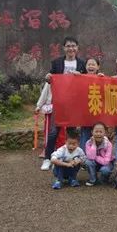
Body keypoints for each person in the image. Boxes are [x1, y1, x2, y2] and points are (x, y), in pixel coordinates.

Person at [41, 36, 87, 171]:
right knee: (54, 132)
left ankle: (77, 159)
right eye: (68, 46)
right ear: (64, 48)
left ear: (77, 48)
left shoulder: (82, 64)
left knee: (73, 132)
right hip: (60, 103)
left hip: (75, 104)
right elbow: (51, 80)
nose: (71, 48)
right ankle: (48, 158)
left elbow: (88, 80)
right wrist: (48, 78)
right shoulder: (57, 63)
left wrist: (82, 76)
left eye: (73, 46)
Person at [80, 57, 104, 149]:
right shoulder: (80, 79)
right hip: (85, 112)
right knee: (85, 133)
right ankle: (83, 156)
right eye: (89, 64)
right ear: (85, 67)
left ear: (98, 67)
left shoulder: (102, 78)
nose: (91, 66)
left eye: (93, 64)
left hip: (97, 111)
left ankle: (99, 155)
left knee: (98, 133)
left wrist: (102, 79)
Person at [84, 122, 114, 186]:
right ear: (92, 132)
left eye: (101, 132)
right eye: (96, 131)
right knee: (88, 162)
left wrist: (95, 156)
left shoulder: (108, 144)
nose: (98, 134)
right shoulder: (88, 143)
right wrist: (94, 144)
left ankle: (104, 179)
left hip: (106, 164)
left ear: (105, 133)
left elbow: (106, 162)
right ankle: (93, 179)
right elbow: (90, 158)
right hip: (95, 163)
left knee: (105, 170)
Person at [35, 79, 53, 158]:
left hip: (63, 108)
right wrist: (39, 106)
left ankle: (59, 149)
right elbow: (44, 93)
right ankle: (46, 149)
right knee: (48, 130)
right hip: (51, 109)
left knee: (62, 131)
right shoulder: (50, 79)